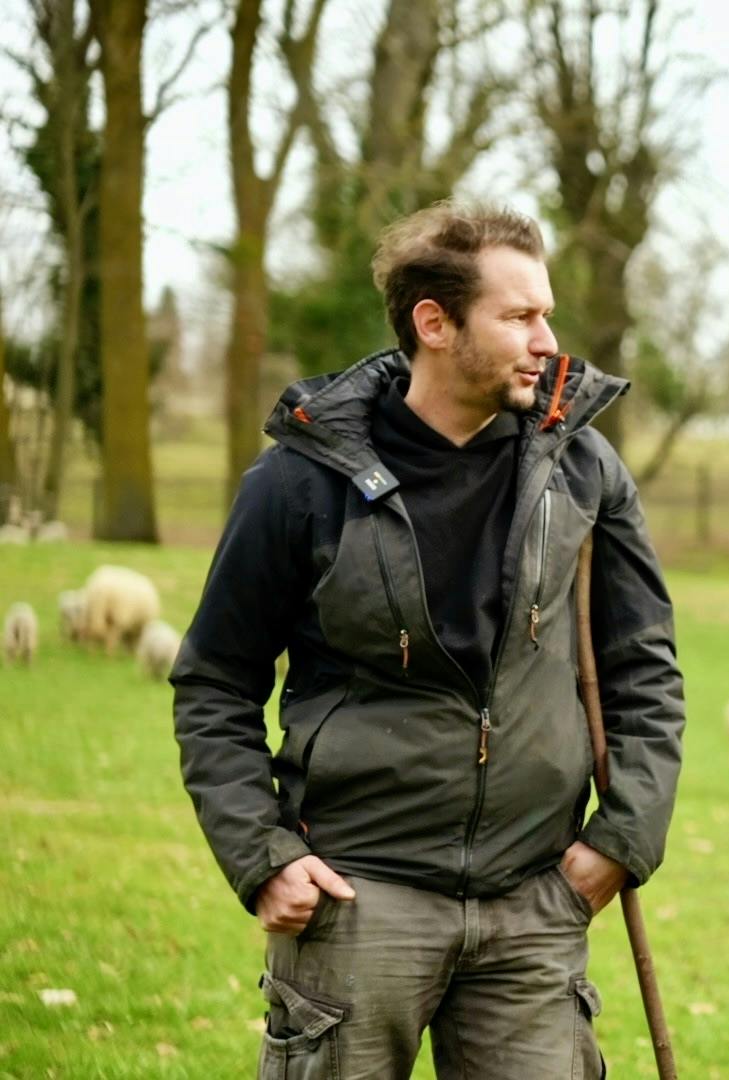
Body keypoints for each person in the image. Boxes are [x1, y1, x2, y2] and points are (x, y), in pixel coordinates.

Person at [172, 202, 684, 1078]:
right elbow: (215, 680)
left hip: (536, 904)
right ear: (435, 324)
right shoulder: (302, 482)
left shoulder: (584, 468)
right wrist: (262, 856)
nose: (546, 340)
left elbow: (643, 670)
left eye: (547, 314)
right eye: (520, 317)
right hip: (357, 901)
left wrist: (621, 841)